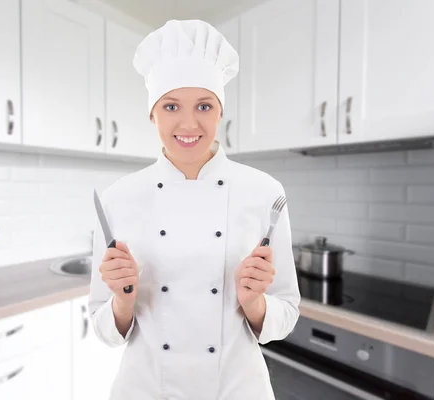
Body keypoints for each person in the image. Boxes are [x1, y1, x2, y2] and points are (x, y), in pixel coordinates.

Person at [88, 19, 301, 400]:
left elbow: (286, 314)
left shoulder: (265, 192)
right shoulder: (117, 199)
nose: (189, 123)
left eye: (204, 105)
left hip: (236, 388)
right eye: (171, 106)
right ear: (152, 114)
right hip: (146, 388)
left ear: (221, 113)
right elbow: (103, 330)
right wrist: (122, 300)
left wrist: (254, 304)